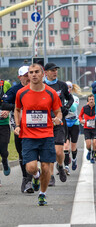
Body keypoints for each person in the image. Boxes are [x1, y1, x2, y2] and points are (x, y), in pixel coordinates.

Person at [14, 63, 62, 206]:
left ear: (42, 74)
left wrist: (58, 118)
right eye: (31, 72)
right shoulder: (21, 93)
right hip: (28, 136)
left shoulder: (50, 93)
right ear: (28, 75)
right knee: (31, 167)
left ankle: (42, 194)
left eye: (36, 72)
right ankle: (35, 175)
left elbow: (58, 111)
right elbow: (17, 109)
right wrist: (17, 126)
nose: (33, 74)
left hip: (46, 134)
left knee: (47, 168)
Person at [2, 66, 34, 193]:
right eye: (25, 75)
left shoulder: (39, 88)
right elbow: (4, 103)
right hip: (19, 127)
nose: (28, 77)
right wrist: (18, 106)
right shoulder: (14, 90)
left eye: (30, 74)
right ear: (19, 77)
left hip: (36, 127)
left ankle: (34, 176)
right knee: (22, 154)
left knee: (34, 154)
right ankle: (26, 179)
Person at [44, 62, 74, 186]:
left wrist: (66, 107)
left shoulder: (62, 85)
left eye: (56, 70)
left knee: (58, 152)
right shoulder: (42, 86)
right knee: (50, 151)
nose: (54, 72)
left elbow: (70, 98)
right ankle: (51, 176)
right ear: (45, 72)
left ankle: (60, 166)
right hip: (45, 123)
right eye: (52, 70)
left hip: (59, 121)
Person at [63, 81, 81, 175]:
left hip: (74, 123)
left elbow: (73, 108)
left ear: (72, 88)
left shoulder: (75, 98)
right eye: (66, 88)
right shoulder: (61, 98)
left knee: (73, 146)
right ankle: (66, 166)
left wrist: (67, 102)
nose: (68, 89)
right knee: (66, 146)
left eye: (69, 87)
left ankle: (74, 159)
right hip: (65, 123)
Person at [79, 94, 96, 164]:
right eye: (90, 99)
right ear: (88, 101)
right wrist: (81, 120)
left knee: (95, 142)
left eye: (92, 99)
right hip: (87, 128)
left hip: (95, 128)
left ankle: (93, 156)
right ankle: (89, 151)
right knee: (88, 144)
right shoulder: (84, 108)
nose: (91, 101)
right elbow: (80, 116)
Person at [0, 79, 11, 180]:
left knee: (3, 150)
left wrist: (7, 110)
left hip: (3, 124)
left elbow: (12, 100)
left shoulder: (5, 84)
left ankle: (4, 159)